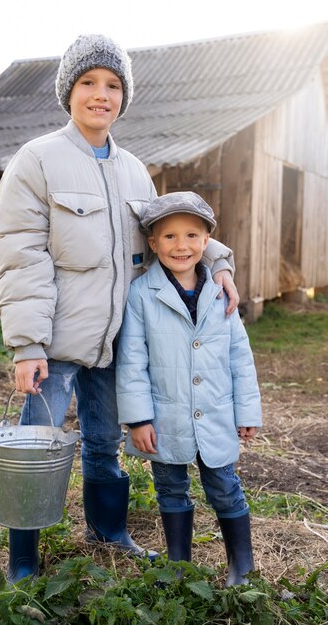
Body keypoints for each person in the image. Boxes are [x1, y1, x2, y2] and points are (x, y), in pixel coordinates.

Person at [0, 34, 239, 584]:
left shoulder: (133, 170)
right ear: (69, 92)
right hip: (55, 340)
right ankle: (24, 561)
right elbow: (20, 256)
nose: (100, 95)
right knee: (37, 445)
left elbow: (171, 230)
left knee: (106, 442)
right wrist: (27, 343)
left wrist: (219, 261)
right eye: (88, 83)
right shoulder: (37, 160)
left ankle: (108, 533)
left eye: (112, 85)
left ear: (123, 97)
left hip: (117, 338)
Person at [116, 191, 262, 586]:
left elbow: (240, 357)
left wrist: (247, 413)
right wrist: (138, 418)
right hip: (165, 417)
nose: (182, 246)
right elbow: (132, 362)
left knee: (225, 487)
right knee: (171, 489)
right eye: (169, 237)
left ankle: (241, 566)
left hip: (215, 412)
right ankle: (179, 565)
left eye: (192, 236)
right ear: (152, 242)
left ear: (207, 241)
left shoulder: (221, 293)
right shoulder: (141, 295)